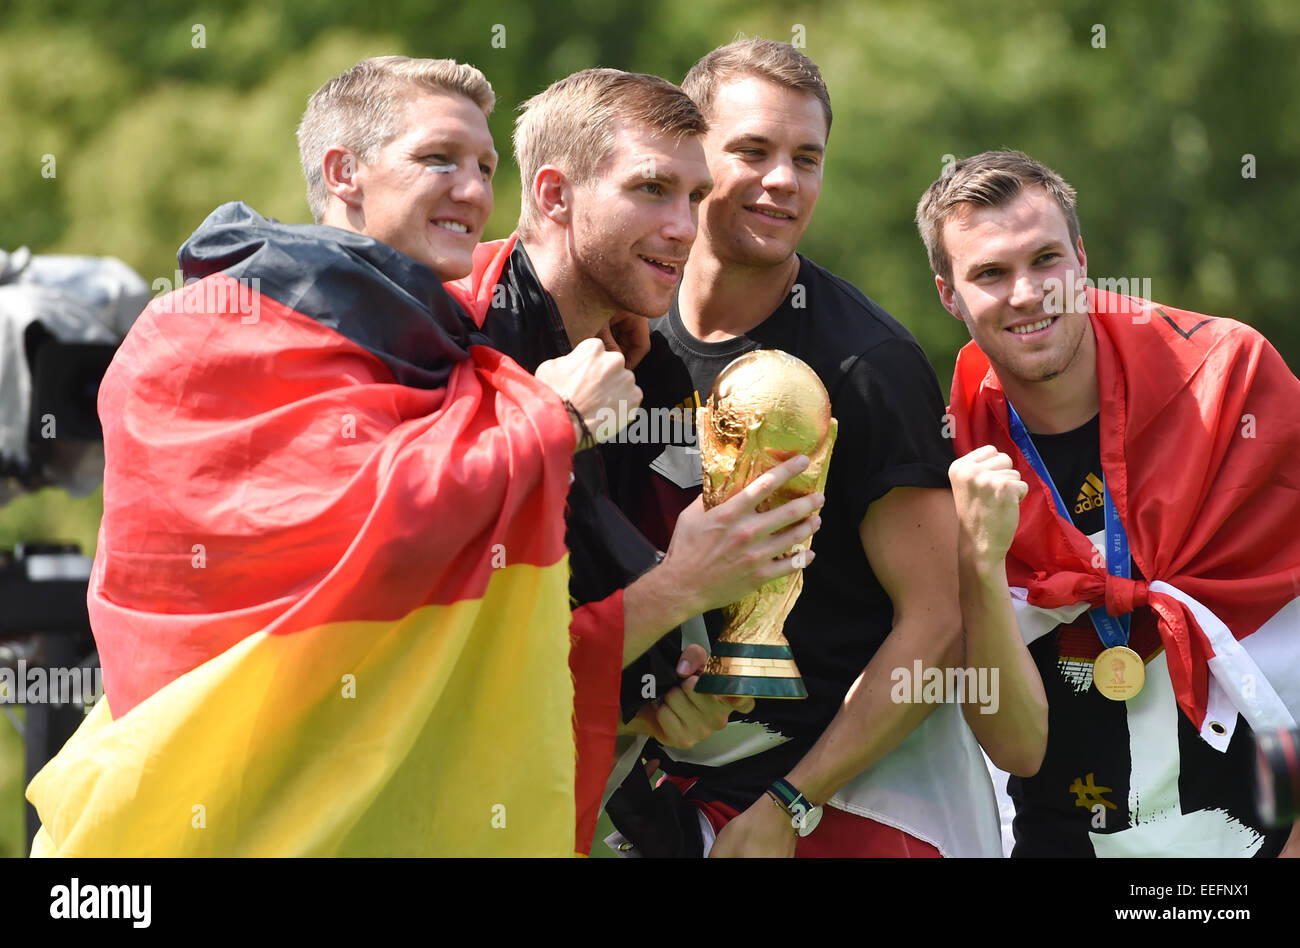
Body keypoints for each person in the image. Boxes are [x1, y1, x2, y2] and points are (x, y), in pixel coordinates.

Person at [26, 56, 638, 857]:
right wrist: (555, 416)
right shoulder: (211, 330)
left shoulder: (441, 344)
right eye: (438, 159)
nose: (474, 190)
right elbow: (375, 528)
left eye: (487, 168)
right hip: (196, 810)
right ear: (343, 173)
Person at [602, 39, 1001, 857]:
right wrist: (645, 699)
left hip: (841, 802)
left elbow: (937, 626)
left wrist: (792, 803)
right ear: (691, 154)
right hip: (656, 787)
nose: (783, 179)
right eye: (752, 150)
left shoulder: (869, 363)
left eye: (806, 157)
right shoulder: (620, 334)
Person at [442, 68, 828, 852]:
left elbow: (585, 647)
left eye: (693, 195)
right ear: (553, 195)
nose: (686, 226)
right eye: (652, 189)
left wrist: (654, 688)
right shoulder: (447, 340)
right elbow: (451, 672)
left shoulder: (651, 368)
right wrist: (681, 585)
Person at [924, 148, 1300, 856]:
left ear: (1083, 258)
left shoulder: (1229, 386)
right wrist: (979, 559)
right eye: (990, 274)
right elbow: (1016, 747)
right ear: (949, 295)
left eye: (1045, 260)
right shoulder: (950, 455)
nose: (1028, 292)